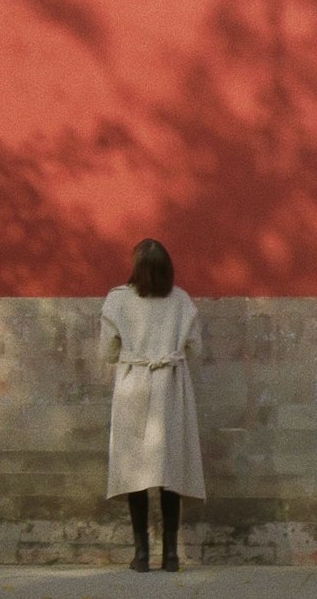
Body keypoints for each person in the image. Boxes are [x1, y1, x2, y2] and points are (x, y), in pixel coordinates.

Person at [100, 239, 205, 573]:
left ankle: (141, 554)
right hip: (170, 387)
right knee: (169, 471)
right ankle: (171, 555)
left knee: (136, 472)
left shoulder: (117, 300)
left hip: (133, 385)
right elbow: (196, 348)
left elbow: (106, 352)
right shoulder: (182, 301)